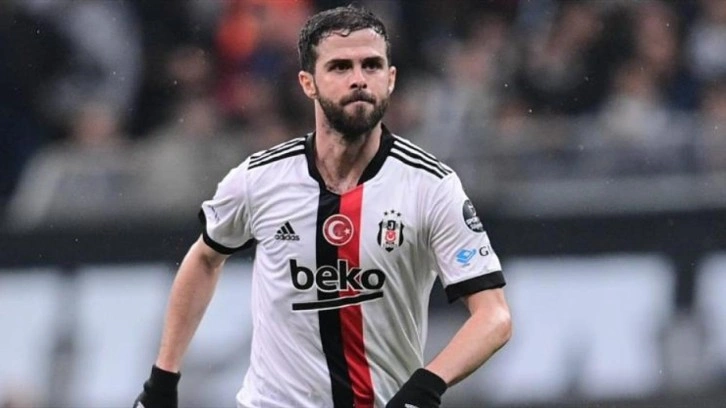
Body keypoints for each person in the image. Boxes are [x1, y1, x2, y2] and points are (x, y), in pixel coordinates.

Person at [134, 5, 512, 408]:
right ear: (308, 83)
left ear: (390, 79)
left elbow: (494, 316)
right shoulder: (259, 179)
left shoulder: (431, 187)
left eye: (371, 65)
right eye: (340, 67)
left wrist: (426, 386)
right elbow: (205, 258)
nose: (358, 79)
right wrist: (163, 379)